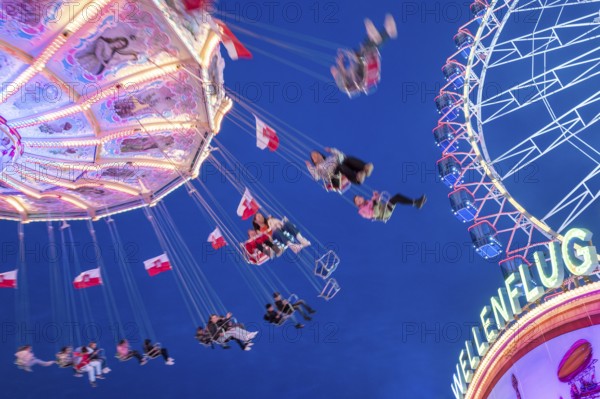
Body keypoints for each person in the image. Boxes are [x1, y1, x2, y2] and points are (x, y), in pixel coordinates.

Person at [331, 14, 397, 93]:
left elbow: (343, 71)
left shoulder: (345, 80)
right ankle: (381, 35)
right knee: (361, 54)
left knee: (364, 50)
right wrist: (342, 62)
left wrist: (342, 60)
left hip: (363, 73)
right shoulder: (343, 83)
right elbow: (341, 73)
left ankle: (384, 33)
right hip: (362, 74)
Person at [306, 148, 374, 188]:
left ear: (320, 154)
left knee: (347, 159)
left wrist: (332, 150)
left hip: (342, 169)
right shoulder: (317, 168)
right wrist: (310, 167)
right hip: (333, 178)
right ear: (314, 161)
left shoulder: (330, 158)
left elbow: (342, 156)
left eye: (317, 154)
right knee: (339, 166)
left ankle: (365, 168)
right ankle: (356, 179)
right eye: (314, 156)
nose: (316, 156)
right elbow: (316, 177)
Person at [354, 191, 427, 221]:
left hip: (384, 207)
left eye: (358, 198)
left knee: (397, 197)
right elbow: (376, 214)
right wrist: (375, 201)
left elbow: (377, 203)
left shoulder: (368, 201)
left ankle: (416, 202)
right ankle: (416, 203)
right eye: (356, 201)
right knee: (396, 198)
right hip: (384, 213)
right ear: (357, 204)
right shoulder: (362, 211)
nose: (358, 200)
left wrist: (377, 196)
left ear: (362, 197)